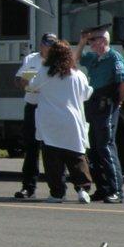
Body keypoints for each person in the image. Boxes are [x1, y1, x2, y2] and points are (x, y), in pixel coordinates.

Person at [27, 40, 94, 203]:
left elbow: (31, 88)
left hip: (50, 121)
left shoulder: (44, 72)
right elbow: (86, 94)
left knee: (53, 159)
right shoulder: (78, 75)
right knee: (76, 156)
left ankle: (57, 193)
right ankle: (82, 189)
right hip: (72, 121)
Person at [75, 27, 124, 204]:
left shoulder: (114, 57)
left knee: (106, 146)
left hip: (107, 104)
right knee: (94, 148)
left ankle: (116, 190)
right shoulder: (93, 58)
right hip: (93, 103)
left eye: (93, 40)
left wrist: (118, 102)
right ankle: (102, 188)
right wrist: (82, 41)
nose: (91, 43)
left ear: (103, 41)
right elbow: (75, 59)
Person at [12, 34, 58, 199]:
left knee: (52, 149)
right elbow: (18, 79)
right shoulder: (31, 58)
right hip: (33, 106)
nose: (49, 48)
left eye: (53, 45)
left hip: (51, 108)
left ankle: (57, 188)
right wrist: (23, 83)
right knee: (31, 148)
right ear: (41, 45)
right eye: (47, 45)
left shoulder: (59, 60)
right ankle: (28, 187)